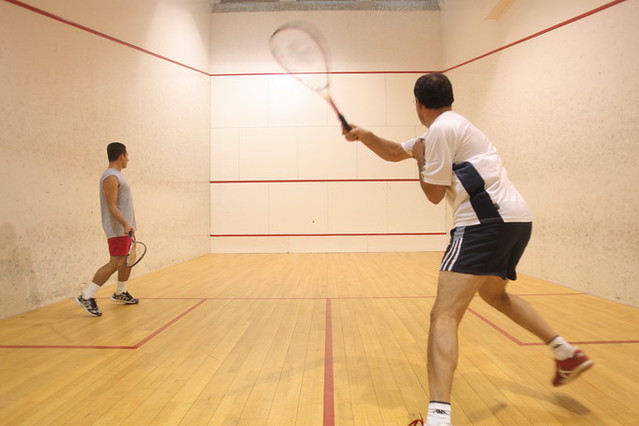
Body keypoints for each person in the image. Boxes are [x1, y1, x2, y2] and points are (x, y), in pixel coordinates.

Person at [343, 73, 593, 426]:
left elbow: (432, 194)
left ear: (417, 104)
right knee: (495, 295)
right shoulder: (450, 126)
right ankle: (564, 352)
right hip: (515, 221)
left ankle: (438, 417)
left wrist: (420, 162)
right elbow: (395, 151)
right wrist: (365, 135)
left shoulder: (442, 132)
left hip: (482, 225)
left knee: (443, 316)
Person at [76, 142, 139, 317]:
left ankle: (120, 292)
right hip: (118, 228)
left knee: (127, 261)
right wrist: (125, 224)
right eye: (127, 155)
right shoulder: (110, 177)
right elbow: (111, 206)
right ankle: (86, 296)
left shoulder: (117, 176)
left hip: (126, 227)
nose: (128, 159)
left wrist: (130, 224)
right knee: (116, 262)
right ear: (121, 156)